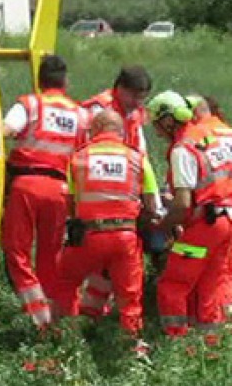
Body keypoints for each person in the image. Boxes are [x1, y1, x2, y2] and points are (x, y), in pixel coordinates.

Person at [146, 90, 232, 348]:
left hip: (205, 225)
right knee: (217, 284)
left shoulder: (184, 147)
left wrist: (163, 223)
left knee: (173, 284)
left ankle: (178, 344)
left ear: (168, 120)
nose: (158, 133)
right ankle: (218, 345)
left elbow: (182, 204)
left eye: (158, 125)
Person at [57, 110, 157, 354]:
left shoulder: (78, 158)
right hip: (124, 236)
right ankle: (131, 344)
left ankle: (68, 336)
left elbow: (69, 204)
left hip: (88, 237)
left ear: (94, 130)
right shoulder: (137, 158)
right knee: (129, 294)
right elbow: (152, 205)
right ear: (121, 132)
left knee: (66, 279)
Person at [0, 54, 86, 328]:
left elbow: (5, 131)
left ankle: (39, 317)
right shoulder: (80, 113)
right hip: (61, 190)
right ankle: (59, 317)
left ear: (39, 80)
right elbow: (84, 156)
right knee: (51, 256)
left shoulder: (29, 104)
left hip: (26, 185)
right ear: (65, 81)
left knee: (17, 251)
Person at [185, 93, 232, 334]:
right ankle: (231, 329)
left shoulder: (196, 135)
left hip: (207, 219)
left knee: (202, 278)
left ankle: (209, 341)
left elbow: (188, 182)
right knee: (225, 275)